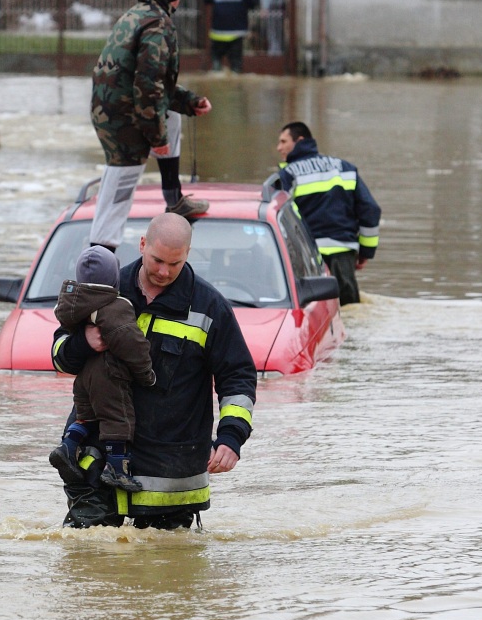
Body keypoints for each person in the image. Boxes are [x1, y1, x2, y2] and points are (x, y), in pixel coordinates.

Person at [51, 213, 257, 530]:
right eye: (157, 260)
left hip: (170, 473)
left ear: (188, 254)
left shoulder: (210, 307)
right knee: (86, 565)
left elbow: (238, 378)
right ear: (142, 244)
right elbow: (59, 356)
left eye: (173, 264)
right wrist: (83, 343)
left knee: (168, 568)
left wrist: (231, 437)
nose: (163, 272)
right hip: (99, 459)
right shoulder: (105, 288)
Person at [91, 0, 213, 252]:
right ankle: (100, 257)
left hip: (111, 108)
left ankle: (175, 200)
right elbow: (148, 88)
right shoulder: (159, 24)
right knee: (121, 185)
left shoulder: (137, 14)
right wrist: (157, 140)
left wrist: (188, 101)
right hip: (125, 116)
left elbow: (153, 81)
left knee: (170, 116)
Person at [49, 245, 157, 493]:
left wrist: (80, 343)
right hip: (108, 375)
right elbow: (130, 342)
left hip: (83, 378)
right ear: (114, 278)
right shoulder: (115, 305)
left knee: (85, 417)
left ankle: (67, 447)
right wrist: (146, 374)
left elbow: (61, 339)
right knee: (117, 419)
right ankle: (117, 470)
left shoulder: (70, 303)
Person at [276, 121, 381, 305]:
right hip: (343, 255)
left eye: (283, 141)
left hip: (307, 257)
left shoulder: (288, 175)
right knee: (349, 312)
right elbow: (370, 210)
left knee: (313, 313)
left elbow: (279, 216)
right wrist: (365, 252)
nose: (279, 148)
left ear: (299, 141)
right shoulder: (345, 168)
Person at [205, 0, 257, 73]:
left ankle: (216, 69)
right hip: (237, 32)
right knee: (236, 64)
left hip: (218, 32)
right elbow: (253, 3)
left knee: (216, 62)